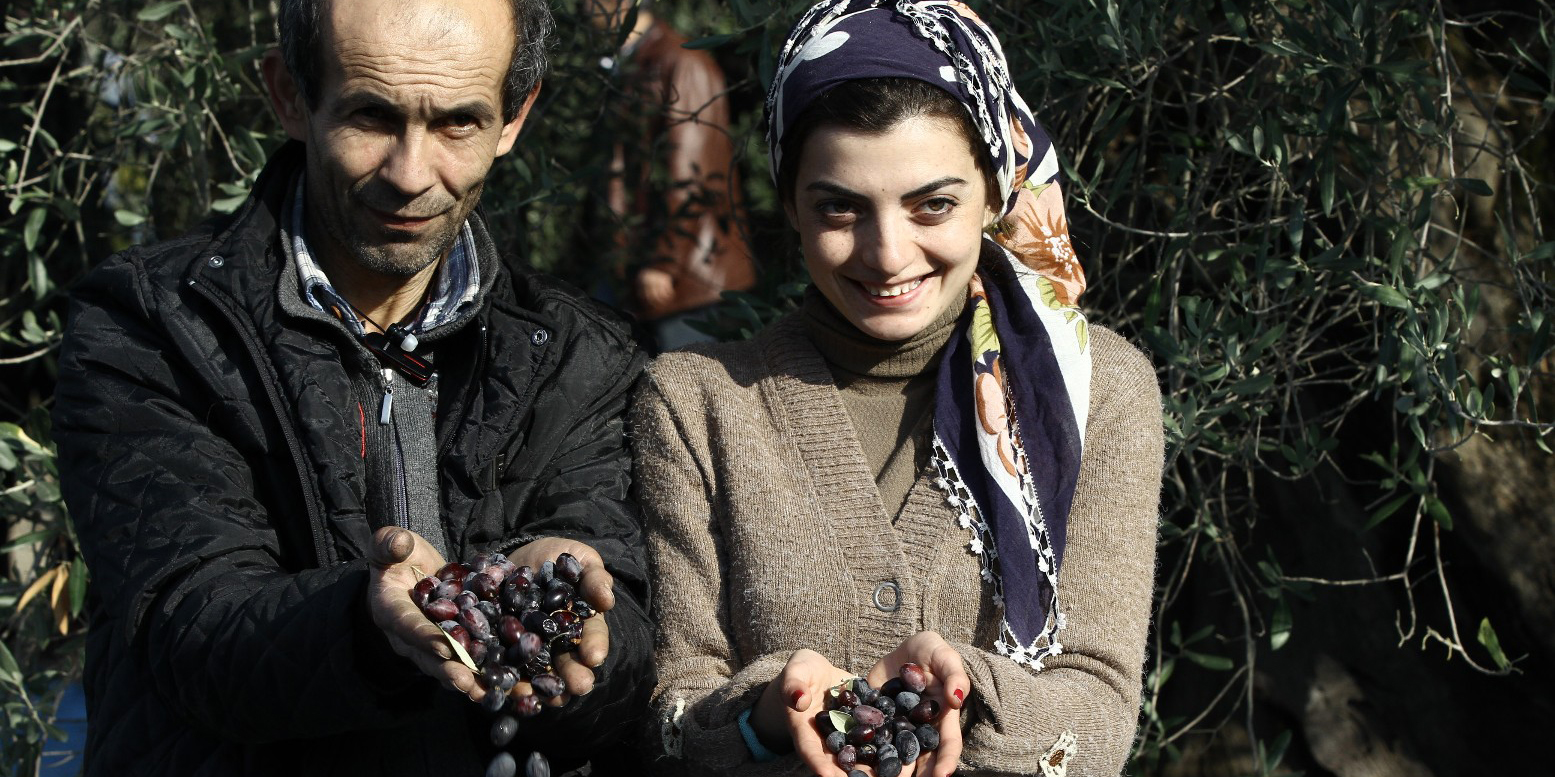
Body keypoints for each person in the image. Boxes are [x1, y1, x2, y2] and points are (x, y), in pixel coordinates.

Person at [51, 0, 652, 774]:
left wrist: (580, 615)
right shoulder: (152, 326)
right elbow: (193, 630)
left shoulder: (582, 357)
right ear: (289, 96)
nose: (409, 173)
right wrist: (370, 627)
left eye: (457, 124)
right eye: (371, 116)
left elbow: (627, 663)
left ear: (514, 118)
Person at [631, 1, 1161, 775]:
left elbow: (1101, 714)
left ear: (994, 190)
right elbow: (673, 712)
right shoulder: (694, 402)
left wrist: (964, 691)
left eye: (932, 204)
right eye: (839, 207)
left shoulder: (1097, 391)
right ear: (789, 204)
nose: (886, 253)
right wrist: (770, 711)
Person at [582, 0, 756, 351]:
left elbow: (692, 174)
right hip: (638, 267)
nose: (584, 7)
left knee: (688, 393)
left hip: (685, 280)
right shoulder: (635, 61)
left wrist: (665, 262)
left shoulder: (679, 62)